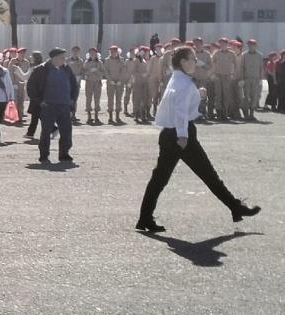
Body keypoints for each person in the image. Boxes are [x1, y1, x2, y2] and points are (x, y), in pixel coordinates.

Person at [136, 47, 262, 233]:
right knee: (207, 175)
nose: (195, 62)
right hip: (181, 135)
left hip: (171, 134)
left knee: (161, 178)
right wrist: (183, 136)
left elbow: (179, 103)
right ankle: (235, 207)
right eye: (193, 59)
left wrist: (198, 95)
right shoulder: (183, 83)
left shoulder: (177, 78)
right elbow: (179, 111)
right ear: (183, 62)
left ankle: (144, 218)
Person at [29, 48, 79, 163]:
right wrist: (39, 101)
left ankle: (64, 154)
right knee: (46, 132)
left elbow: (74, 85)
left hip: (64, 105)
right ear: (54, 58)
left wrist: (72, 100)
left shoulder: (66, 69)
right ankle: (44, 155)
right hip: (48, 106)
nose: (64, 59)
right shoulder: (41, 69)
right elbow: (31, 88)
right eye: (62, 57)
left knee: (66, 131)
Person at [104, 45, 128, 124]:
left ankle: (117, 116)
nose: (113, 53)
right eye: (111, 52)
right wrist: (110, 80)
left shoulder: (121, 60)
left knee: (118, 99)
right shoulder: (107, 60)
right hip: (110, 83)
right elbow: (106, 71)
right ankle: (110, 117)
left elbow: (123, 70)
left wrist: (120, 80)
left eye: (114, 51)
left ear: (117, 52)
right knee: (110, 100)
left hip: (119, 83)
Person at [83, 48, 105, 125]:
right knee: (88, 98)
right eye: (91, 52)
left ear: (96, 53)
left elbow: (103, 73)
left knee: (97, 98)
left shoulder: (99, 62)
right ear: (89, 53)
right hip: (89, 82)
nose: (92, 53)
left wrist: (96, 71)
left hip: (97, 82)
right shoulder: (86, 62)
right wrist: (89, 71)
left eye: (94, 52)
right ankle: (89, 116)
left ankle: (96, 116)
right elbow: (83, 72)